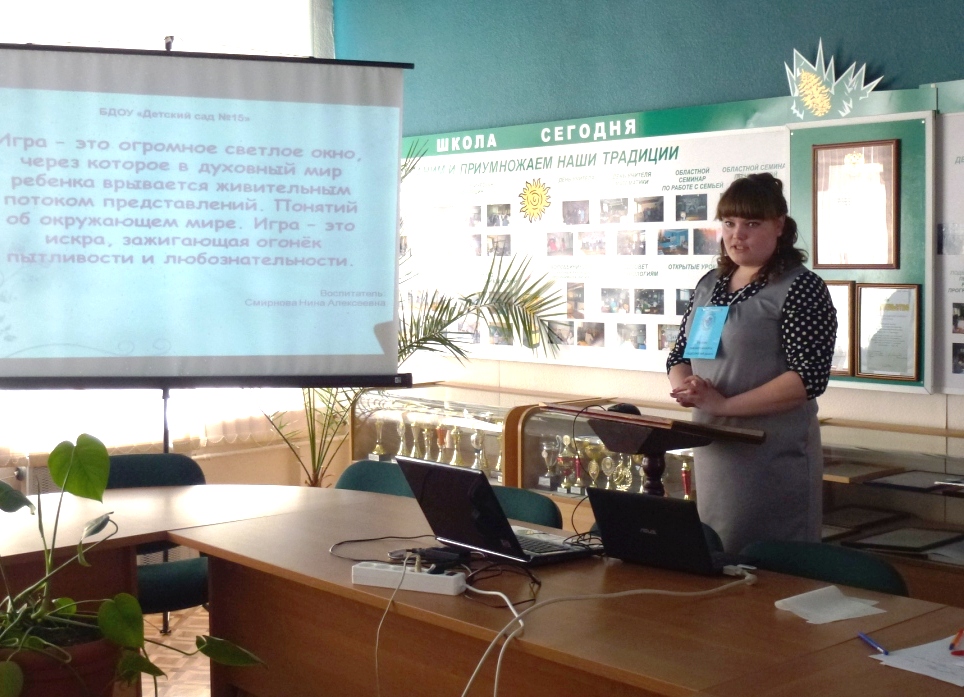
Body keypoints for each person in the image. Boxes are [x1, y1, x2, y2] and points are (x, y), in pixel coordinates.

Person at [666, 173, 837, 553]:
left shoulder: (801, 287)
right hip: (714, 449)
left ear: (779, 226)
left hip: (771, 456)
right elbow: (680, 356)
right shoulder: (710, 283)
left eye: (751, 224)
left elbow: (807, 378)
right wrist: (687, 387)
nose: (736, 235)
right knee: (719, 556)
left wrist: (724, 405)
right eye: (729, 223)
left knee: (767, 563)